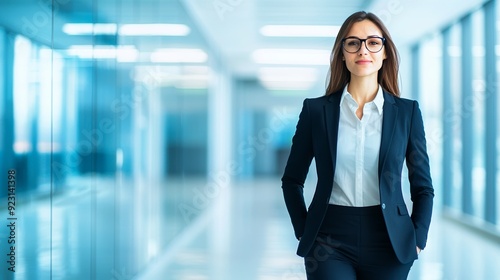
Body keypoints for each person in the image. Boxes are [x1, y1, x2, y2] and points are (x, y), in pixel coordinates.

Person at [281, 11, 434, 280]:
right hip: (328, 239)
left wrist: (418, 237)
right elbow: (292, 180)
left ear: (385, 52)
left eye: (373, 42)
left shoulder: (407, 113)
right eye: (353, 43)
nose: (363, 50)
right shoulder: (316, 111)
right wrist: (304, 231)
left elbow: (423, 187)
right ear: (342, 52)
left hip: (390, 239)